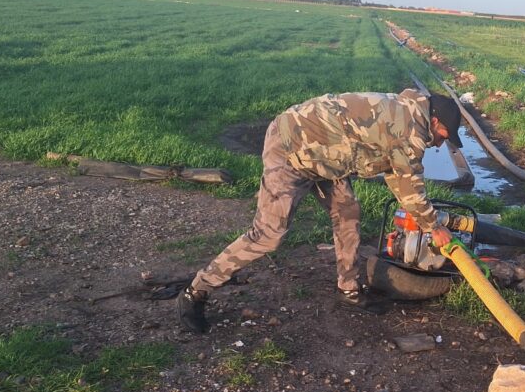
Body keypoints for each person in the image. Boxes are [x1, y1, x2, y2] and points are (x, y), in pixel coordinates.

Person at [177, 89, 463, 333]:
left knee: (348, 213)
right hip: (290, 147)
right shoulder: (410, 129)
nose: (439, 143)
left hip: (326, 156)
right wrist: (434, 227)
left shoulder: (410, 111)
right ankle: (195, 291)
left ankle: (348, 289)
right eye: (442, 136)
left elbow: (395, 174)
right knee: (268, 235)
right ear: (434, 120)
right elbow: (409, 184)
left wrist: (423, 216)